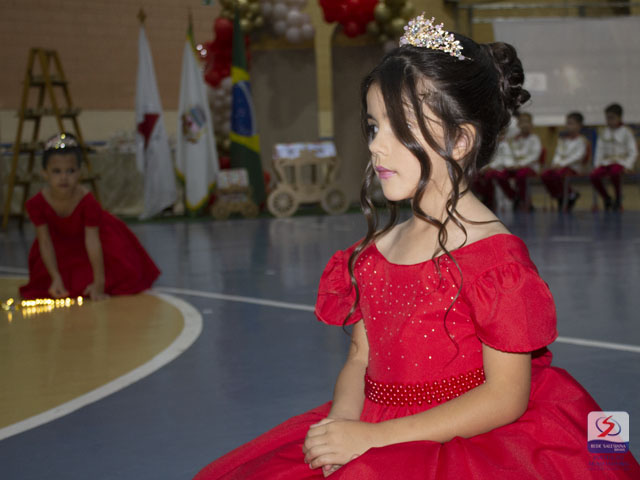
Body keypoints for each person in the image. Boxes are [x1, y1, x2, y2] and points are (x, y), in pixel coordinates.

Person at [194, 15, 640, 479]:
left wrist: (373, 439)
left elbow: (506, 397)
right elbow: (360, 359)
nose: (377, 147)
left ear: (460, 140)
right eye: (374, 126)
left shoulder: (495, 262)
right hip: (372, 424)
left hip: (461, 437)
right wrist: (342, 425)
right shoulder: (374, 252)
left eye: (400, 128)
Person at [20, 132, 160, 300]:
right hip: (59, 248)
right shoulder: (37, 204)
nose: (64, 177)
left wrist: (99, 282)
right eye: (56, 171)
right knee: (47, 286)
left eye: (70, 171)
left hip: (96, 241)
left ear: (80, 173)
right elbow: (44, 242)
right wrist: (55, 277)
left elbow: (92, 241)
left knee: (105, 279)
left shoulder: (87, 201)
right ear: (45, 173)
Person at [590, 103, 638, 211]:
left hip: (621, 162)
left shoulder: (626, 132)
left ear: (619, 117)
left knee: (615, 172)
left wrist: (628, 165)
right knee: (594, 176)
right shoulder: (603, 132)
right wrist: (597, 165)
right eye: (607, 118)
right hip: (606, 162)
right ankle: (606, 198)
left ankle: (618, 197)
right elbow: (599, 151)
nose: (609, 121)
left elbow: (633, 152)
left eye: (612, 118)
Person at [491, 112, 542, 210]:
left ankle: (525, 200)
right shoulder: (513, 139)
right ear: (518, 125)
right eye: (522, 122)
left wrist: (520, 165)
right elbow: (509, 154)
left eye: (527, 122)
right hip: (515, 167)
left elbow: (534, 156)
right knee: (499, 175)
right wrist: (510, 164)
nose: (524, 124)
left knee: (521, 175)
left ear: (531, 124)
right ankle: (514, 197)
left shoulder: (534, 139)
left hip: (529, 167)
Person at [541, 112, 589, 211]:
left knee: (558, 175)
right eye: (567, 123)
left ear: (579, 125)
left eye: (571, 123)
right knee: (545, 175)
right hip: (560, 167)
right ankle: (563, 195)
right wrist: (555, 163)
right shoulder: (563, 139)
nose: (568, 126)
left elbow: (579, 156)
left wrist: (562, 164)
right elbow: (558, 153)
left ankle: (567, 195)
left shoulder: (581, 140)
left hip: (574, 167)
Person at [472, 132, 514, 211]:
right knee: (475, 177)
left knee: (491, 177)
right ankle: (485, 197)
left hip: (500, 168)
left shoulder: (505, 145)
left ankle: (492, 200)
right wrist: (483, 168)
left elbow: (503, 160)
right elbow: (486, 159)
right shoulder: (489, 146)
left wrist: (490, 167)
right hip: (489, 168)